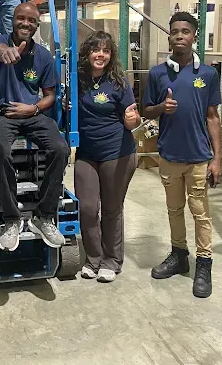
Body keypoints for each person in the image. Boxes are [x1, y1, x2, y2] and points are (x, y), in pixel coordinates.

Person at [143, 12, 222, 299]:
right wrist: (161, 108)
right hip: (169, 156)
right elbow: (146, 110)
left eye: (185, 31)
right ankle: (179, 255)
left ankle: (204, 264)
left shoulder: (209, 74)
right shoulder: (157, 73)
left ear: (194, 36)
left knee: (200, 213)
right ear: (169, 37)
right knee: (174, 210)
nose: (179, 35)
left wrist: (216, 158)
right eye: (174, 31)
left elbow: (213, 117)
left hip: (199, 156)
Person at [0, 2, 69, 252]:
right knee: (0, 152)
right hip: (3, 113)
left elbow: (50, 95)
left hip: (32, 113)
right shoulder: (0, 39)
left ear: (37, 25)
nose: (25, 23)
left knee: (60, 149)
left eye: (31, 21)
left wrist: (32, 109)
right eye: (21, 18)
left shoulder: (43, 56)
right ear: (13, 20)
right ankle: (12, 220)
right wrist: (4, 52)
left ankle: (43, 216)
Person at [73, 31, 140, 283]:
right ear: (87, 53)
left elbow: (134, 117)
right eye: (95, 49)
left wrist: (133, 120)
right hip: (87, 153)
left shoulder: (118, 81)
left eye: (106, 50)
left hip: (117, 152)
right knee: (88, 209)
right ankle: (93, 258)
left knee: (111, 209)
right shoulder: (77, 79)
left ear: (111, 55)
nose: (100, 55)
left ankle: (112, 260)